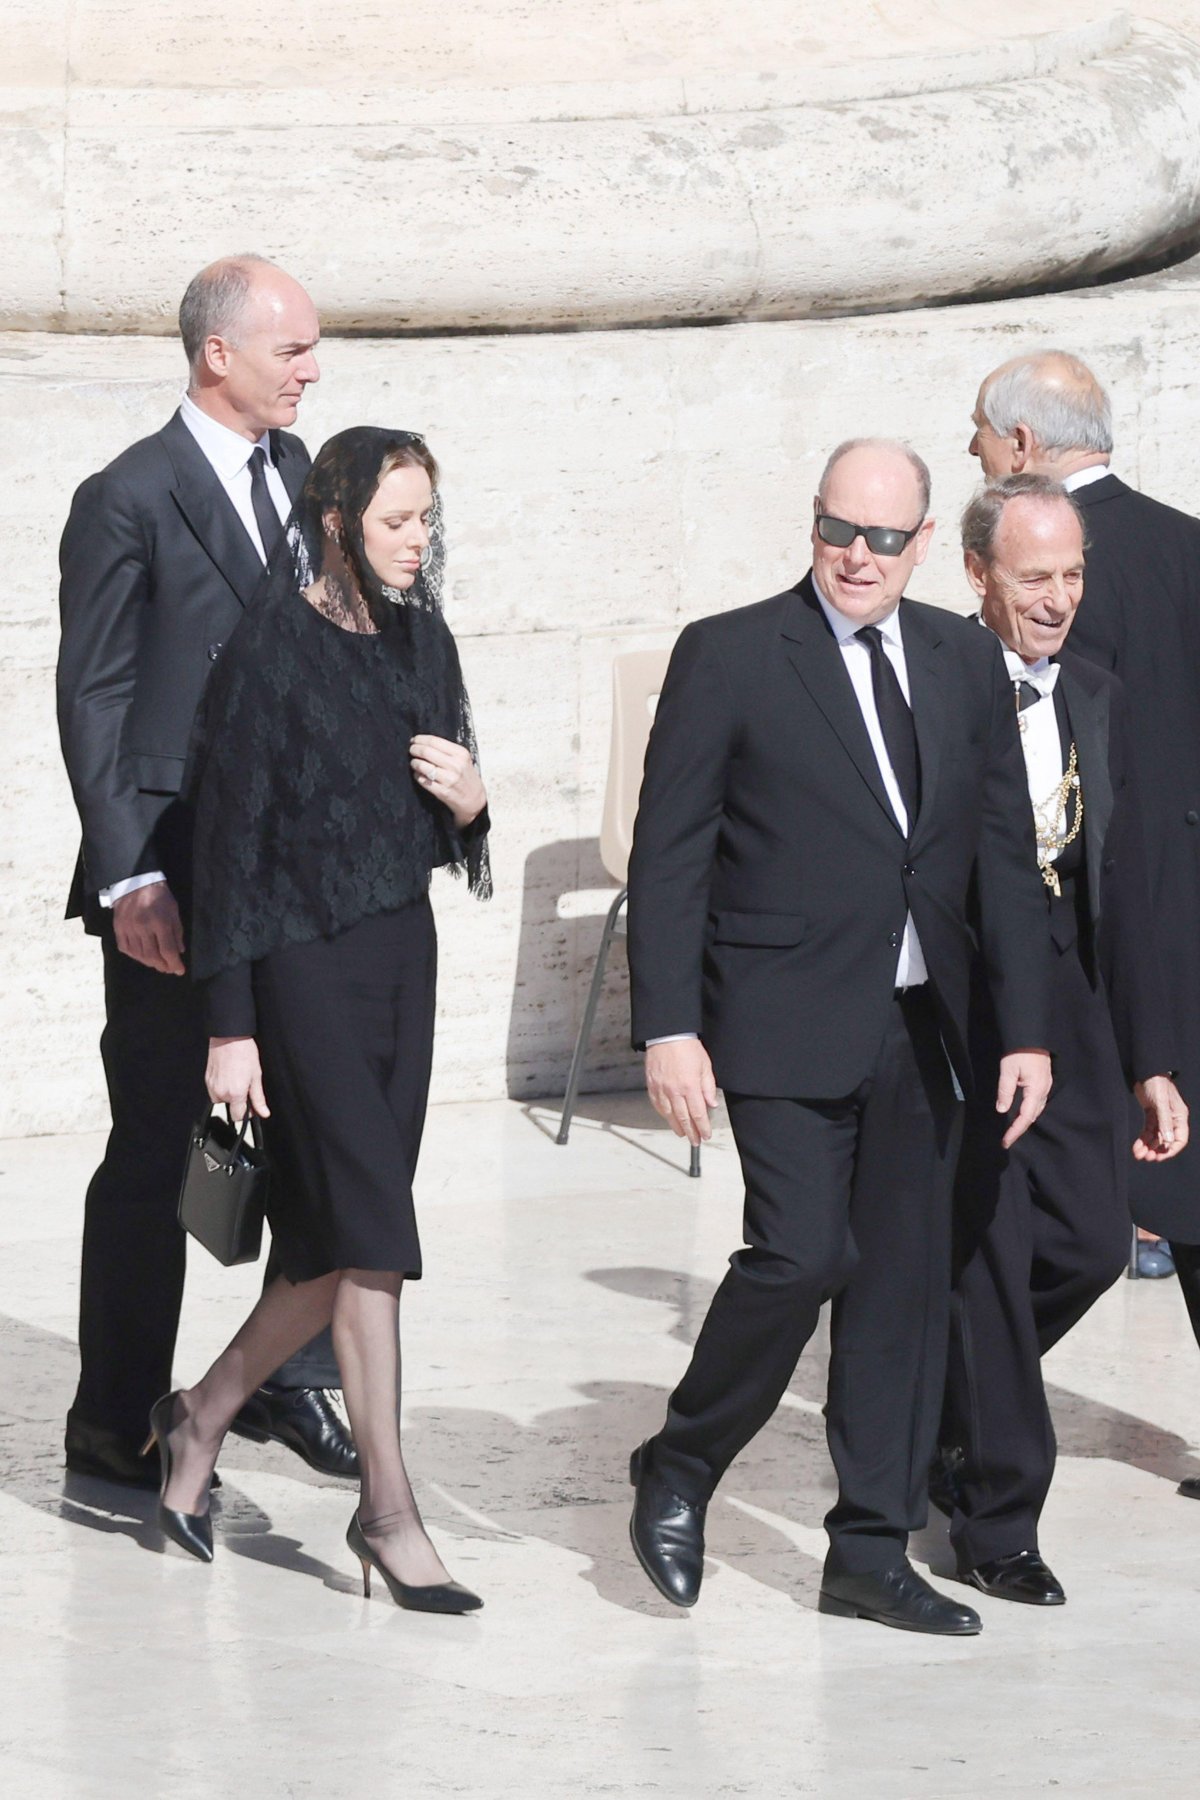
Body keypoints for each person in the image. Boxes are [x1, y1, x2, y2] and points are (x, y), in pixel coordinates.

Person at [625, 438, 1054, 1635]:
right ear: (812, 525)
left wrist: (1023, 1028)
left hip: (928, 1029)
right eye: (836, 530)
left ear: (927, 545)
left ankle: (868, 1550)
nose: (854, 557)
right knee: (803, 1256)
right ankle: (684, 1460)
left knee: (903, 1297)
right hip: (777, 1018)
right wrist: (666, 1027)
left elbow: (1004, 862)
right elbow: (671, 856)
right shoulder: (730, 653)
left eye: (881, 538)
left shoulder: (966, 658)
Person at [142, 426, 491, 1612]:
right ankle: (389, 1512)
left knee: (335, 1244)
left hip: (402, 959)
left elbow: (442, 834)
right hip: (294, 969)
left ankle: (199, 1416)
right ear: (337, 520)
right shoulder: (269, 649)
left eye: (426, 521)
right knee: (376, 1236)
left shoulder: (422, 638)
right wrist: (228, 1025)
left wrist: (476, 804)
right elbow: (226, 855)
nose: (416, 542)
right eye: (397, 521)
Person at [56, 255, 359, 1488]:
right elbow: (95, 697)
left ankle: (290, 1376)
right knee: (157, 1148)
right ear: (216, 354)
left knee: (311, 1131)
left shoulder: (305, 476)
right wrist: (131, 879)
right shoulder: (126, 494)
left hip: (296, 874)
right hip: (175, 879)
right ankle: (113, 1412)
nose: (313, 368)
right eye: (292, 348)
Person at [936, 475, 1188, 1605]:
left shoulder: (1096, 689)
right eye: (1034, 576)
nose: (1058, 598)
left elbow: (1123, 886)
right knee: (988, 1253)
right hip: (970, 1007)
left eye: (1074, 574)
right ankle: (998, 1520)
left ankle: (947, 1390)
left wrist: (1151, 1056)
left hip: (1076, 1006)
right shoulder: (933, 681)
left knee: (1089, 1247)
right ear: (978, 573)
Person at [970, 351, 1200, 1500]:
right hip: (1165, 911)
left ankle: (970, 1404)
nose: (1056, 595)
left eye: (981, 433)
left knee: (1069, 1219)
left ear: (1020, 445)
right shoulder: (1190, 545)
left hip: (1097, 933)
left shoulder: (1055, 578)